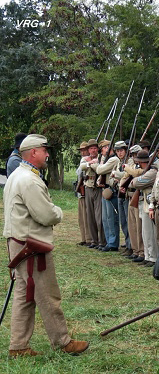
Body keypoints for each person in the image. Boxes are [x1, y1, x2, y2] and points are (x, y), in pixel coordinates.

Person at [3, 134, 89, 357]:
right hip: (31, 245)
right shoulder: (29, 179)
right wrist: (58, 212)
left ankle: (19, 346)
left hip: (19, 242)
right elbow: (46, 214)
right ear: (33, 152)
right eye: (44, 150)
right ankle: (62, 341)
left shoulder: (17, 175)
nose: (47, 153)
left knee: (24, 296)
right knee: (48, 295)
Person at [130, 149, 158, 266]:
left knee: (150, 232)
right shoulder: (146, 171)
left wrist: (137, 179)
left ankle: (153, 257)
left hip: (149, 202)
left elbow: (136, 183)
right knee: (144, 232)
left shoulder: (152, 172)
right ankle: (147, 255)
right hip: (144, 201)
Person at [80, 139, 107, 250]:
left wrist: (94, 162)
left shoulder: (102, 158)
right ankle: (93, 240)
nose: (93, 150)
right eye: (91, 148)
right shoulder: (85, 159)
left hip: (98, 188)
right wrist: (89, 163)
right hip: (88, 187)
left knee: (99, 216)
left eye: (95, 148)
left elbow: (101, 168)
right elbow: (82, 167)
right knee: (90, 215)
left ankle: (102, 241)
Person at [96, 140, 121, 251]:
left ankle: (113, 243)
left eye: (103, 148)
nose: (102, 151)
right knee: (105, 218)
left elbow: (99, 169)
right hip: (105, 190)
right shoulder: (106, 159)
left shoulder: (113, 159)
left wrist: (99, 163)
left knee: (111, 218)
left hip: (111, 191)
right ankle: (108, 241)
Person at [76, 141, 92, 247]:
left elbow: (79, 172)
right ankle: (84, 238)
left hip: (87, 190)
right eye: (81, 150)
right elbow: (79, 173)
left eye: (84, 150)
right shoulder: (84, 161)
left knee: (87, 216)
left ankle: (89, 238)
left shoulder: (88, 161)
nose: (82, 152)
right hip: (82, 190)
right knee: (82, 217)